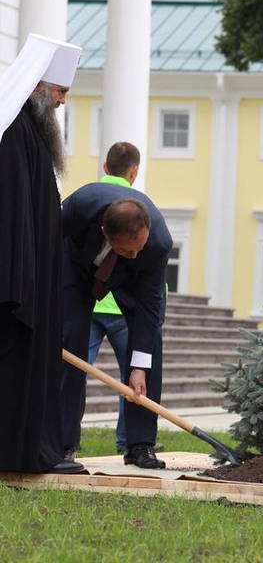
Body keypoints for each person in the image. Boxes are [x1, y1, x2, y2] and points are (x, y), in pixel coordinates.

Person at [0, 33, 84, 474]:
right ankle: (22, 453)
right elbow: (13, 215)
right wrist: (22, 284)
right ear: (37, 89)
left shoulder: (29, 133)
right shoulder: (14, 133)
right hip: (18, 282)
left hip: (31, 277)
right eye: (60, 93)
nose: (62, 103)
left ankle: (29, 450)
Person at [61, 189, 172, 469]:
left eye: (138, 248)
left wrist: (138, 366)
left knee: (149, 345)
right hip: (75, 265)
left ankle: (140, 445)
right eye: (127, 250)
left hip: (133, 281)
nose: (134, 254)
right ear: (105, 233)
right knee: (69, 337)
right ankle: (61, 443)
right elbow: (44, 246)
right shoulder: (78, 209)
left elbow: (148, 308)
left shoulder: (156, 244)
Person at [84, 142, 141, 454]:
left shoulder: (86, 198)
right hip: (122, 308)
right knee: (132, 379)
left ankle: (66, 439)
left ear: (105, 167)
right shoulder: (140, 206)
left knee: (76, 374)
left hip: (89, 303)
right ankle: (128, 442)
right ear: (134, 171)